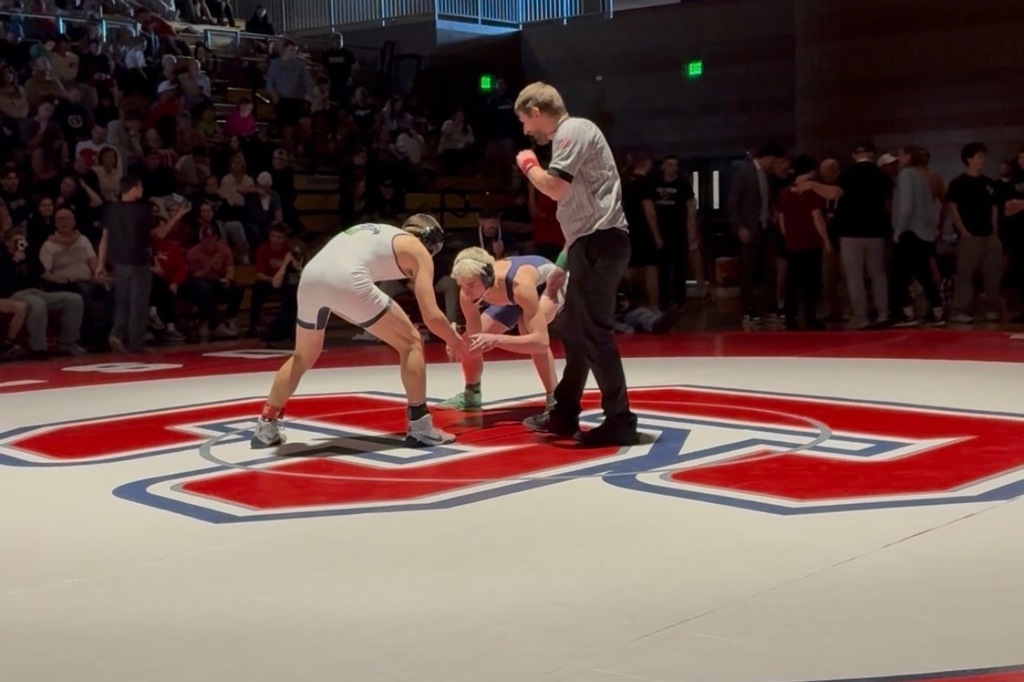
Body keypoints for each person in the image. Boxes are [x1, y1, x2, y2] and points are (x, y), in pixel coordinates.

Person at [250, 214, 467, 449]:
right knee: (412, 342)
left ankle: (266, 425)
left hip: (312, 277)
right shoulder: (418, 250)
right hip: (347, 278)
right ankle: (421, 427)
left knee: (303, 355)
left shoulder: (382, 231)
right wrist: (454, 340)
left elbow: (343, 287)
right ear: (431, 245)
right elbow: (432, 316)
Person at [512, 81, 639, 447]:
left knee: (593, 332)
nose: (526, 131)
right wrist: (563, 264)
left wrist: (529, 165)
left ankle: (620, 420)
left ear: (536, 112)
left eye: (525, 121)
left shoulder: (574, 130)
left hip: (601, 242)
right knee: (574, 329)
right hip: (589, 243)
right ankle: (565, 411)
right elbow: (579, 212)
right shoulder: (571, 136)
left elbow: (555, 188)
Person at [437, 247, 564, 411]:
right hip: (510, 296)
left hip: (547, 285)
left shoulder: (520, 284)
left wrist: (497, 340)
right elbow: (474, 343)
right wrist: (456, 340)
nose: (467, 293)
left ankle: (554, 399)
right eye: (461, 285)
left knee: (527, 328)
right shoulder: (467, 294)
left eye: (471, 285)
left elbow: (540, 342)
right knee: (468, 341)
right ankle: (472, 394)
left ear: (487, 277)